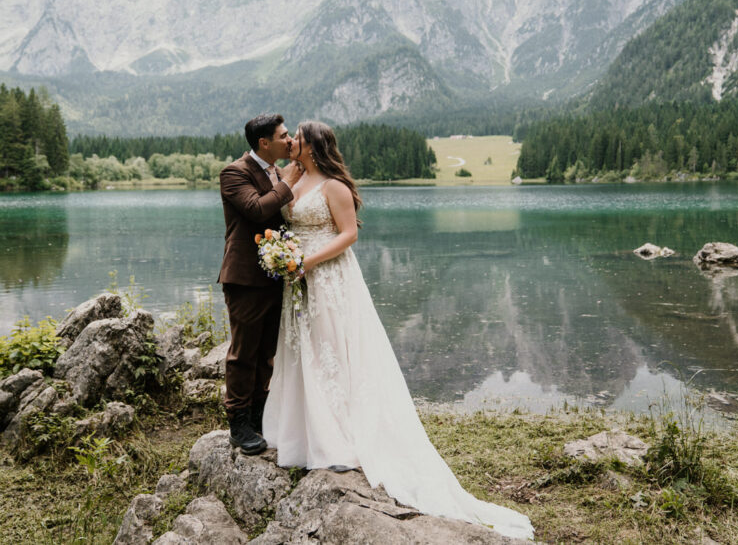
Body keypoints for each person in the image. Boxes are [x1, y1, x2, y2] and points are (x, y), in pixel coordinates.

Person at [262, 120, 534, 540]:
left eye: (297, 137)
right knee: (305, 349)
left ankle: (339, 437)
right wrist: (285, 256)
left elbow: (349, 234)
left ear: (313, 146)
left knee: (332, 349)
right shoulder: (292, 178)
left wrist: (307, 262)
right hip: (299, 282)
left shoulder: (333, 185)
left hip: (329, 277)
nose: (291, 142)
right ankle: (303, 433)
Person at [218, 113, 302, 455]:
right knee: (244, 353)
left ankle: (258, 417)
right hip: (244, 278)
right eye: (284, 136)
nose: (290, 140)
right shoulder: (234, 173)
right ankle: (238, 424)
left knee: (267, 351)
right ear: (264, 143)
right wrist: (290, 181)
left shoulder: (279, 172)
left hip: (274, 275)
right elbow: (256, 209)